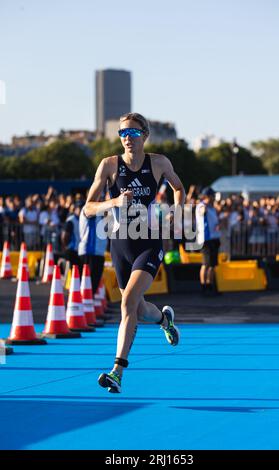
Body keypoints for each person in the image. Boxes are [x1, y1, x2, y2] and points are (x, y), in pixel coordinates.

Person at [84, 112, 186, 393]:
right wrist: (113, 201)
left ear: (145, 135)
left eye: (133, 133)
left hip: (148, 241)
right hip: (120, 245)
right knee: (138, 309)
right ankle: (165, 320)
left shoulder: (159, 163)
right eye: (122, 133)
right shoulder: (108, 166)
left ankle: (117, 371)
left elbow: (179, 188)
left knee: (127, 301)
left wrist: (176, 214)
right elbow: (87, 207)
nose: (127, 138)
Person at [196, 187, 221, 295]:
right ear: (208, 196)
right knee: (206, 264)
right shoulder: (202, 205)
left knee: (212, 265)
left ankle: (210, 285)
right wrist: (203, 203)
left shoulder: (212, 208)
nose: (214, 197)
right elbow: (202, 211)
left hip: (214, 238)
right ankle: (204, 286)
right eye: (213, 195)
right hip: (206, 239)